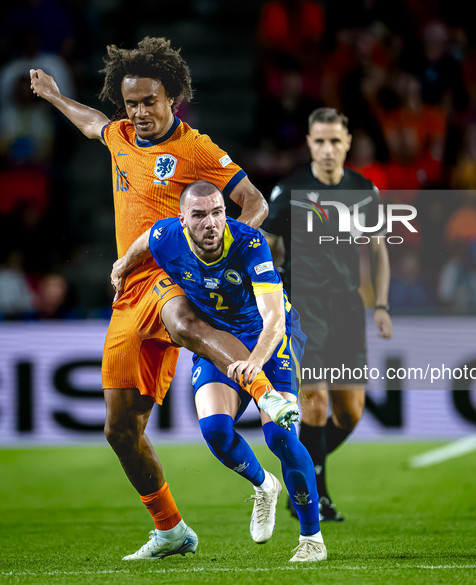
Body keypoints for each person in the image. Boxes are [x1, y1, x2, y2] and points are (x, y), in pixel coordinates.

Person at [29, 37, 298, 560]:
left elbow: (254, 202)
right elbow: (90, 122)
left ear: (172, 97)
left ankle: (266, 393)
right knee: (119, 429)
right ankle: (172, 529)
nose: (139, 112)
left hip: (172, 276)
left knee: (182, 320)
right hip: (130, 292)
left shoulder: (196, 148)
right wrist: (55, 97)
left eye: (149, 101)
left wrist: (222, 255)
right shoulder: (121, 136)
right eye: (131, 103)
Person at [111, 180, 326, 562]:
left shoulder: (249, 244)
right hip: (217, 343)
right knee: (215, 431)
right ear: (183, 220)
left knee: (280, 437)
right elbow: (145, 240)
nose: (211, 223)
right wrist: (124, 263)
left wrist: (255, 363)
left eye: (217, 212)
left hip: (268, 342)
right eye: (199, 215)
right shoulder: (167, 236)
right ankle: (264, 486)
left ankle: (312, 538)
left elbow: (274, 316)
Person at [263, 107, 393, 521]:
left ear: (348, 143)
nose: (327, 149)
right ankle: (317, 496)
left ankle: (302, 472)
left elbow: (378, 251)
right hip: (303, 308)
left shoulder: (363, 190)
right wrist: (270, 295)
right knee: (314, 402)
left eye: (335, 141)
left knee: (350, 413)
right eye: (319, 141)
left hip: (347, 308)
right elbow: (262, 247)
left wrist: (382, 306)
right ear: (309, 143)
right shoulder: (290, 190)